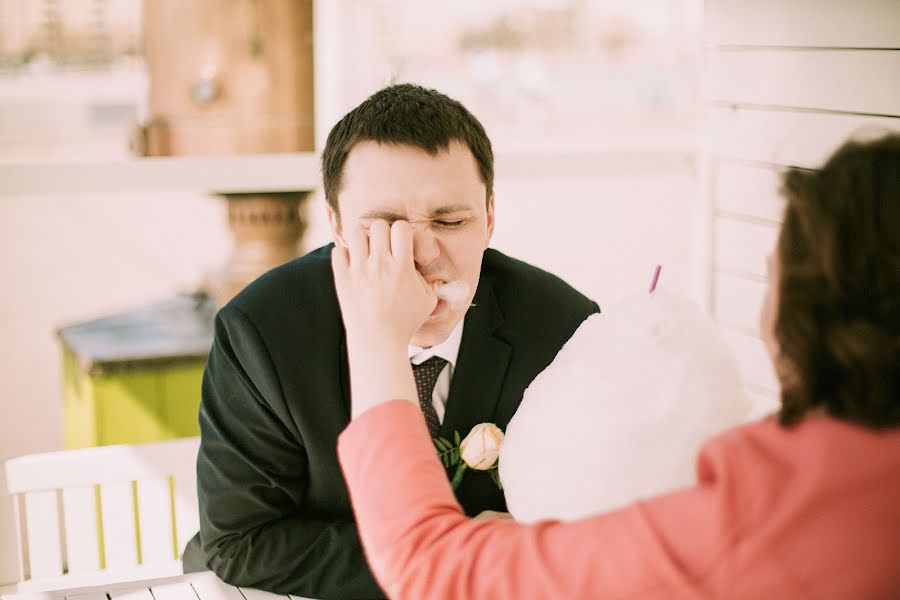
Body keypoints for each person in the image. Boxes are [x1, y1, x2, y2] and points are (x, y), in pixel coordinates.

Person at [334, 133, 900, 598]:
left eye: (771, 270)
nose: (422, 253)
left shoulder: (768, 523)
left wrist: (375, 337)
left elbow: (433, 570)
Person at [182, 83, 600, 598]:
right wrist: (460, 558)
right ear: (335, 224)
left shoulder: (565, 327)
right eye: (383, 227)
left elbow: (599, 519)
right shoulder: (262, 330)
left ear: (490, 217)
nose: (421, 256)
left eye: (451, 221)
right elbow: (241, 541)